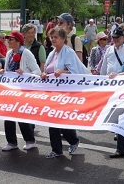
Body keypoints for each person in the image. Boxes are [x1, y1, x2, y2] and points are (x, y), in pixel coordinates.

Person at [41, 27, 88, 158]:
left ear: (63, 39)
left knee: (59, 120)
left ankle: (72, 140)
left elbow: (75, 73)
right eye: (51, 37)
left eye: (56, 37)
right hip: (52, 92)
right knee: (52, 119)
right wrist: (45, 74)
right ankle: (57, 149)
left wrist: (62, 72)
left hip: (65, 92)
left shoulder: (69, 53)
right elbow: (49, 70)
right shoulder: (52, 53)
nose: (53, 39)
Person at [0, 31, 40, 151]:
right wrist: (3, 71)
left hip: (23, 89)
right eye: (7, 39)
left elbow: (37, 71)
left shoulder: (26, 53)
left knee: (21, 115)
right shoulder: (8, 54)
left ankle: (30, 140)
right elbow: (8, 70)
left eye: (11, 39)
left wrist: (25, 73)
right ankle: (11, 142)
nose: (8, 41)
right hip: (11, 89)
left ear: (18, 41)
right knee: (8, 115)